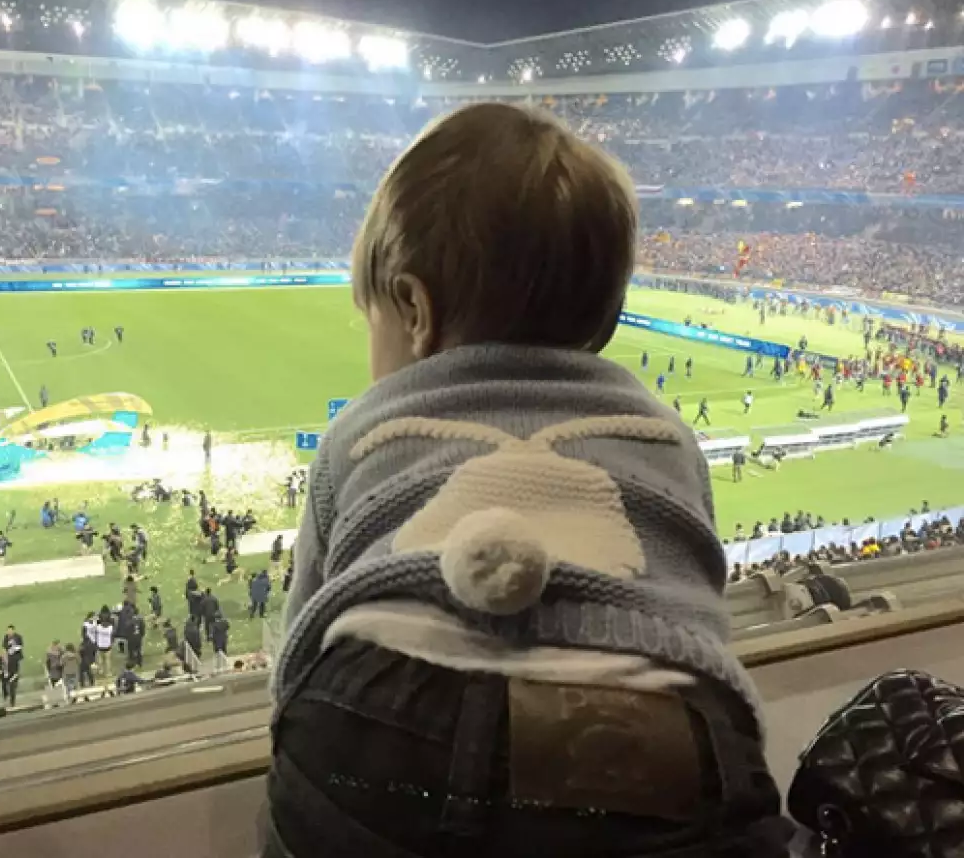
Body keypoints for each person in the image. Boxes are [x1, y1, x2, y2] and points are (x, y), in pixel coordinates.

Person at [266, 103, 786, 857]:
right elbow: (695, 594)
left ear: (414, 308)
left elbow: (301, 644)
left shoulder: (363, 429)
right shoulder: (666, 433)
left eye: (371, 316)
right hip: (662, 723)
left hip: (381, 706)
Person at [1, 626, 23, 707]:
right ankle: (7, 695)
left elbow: (20, 646)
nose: (9, 632)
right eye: (8, 631)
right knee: (8, 683)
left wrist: (14, 648)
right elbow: (4, 646)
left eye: (10, 630)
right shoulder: (6, 637)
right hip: (9, 665)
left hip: (15, 658)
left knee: (12, 684)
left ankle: (12, 700)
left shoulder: (18, 637)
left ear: (13, 630)